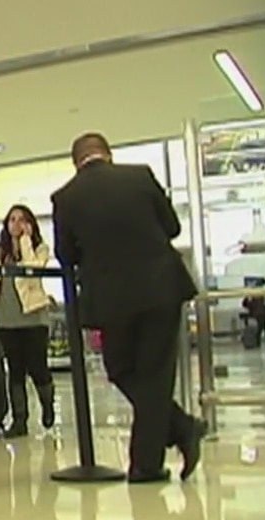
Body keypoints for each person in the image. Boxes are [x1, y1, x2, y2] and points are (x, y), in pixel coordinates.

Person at [51, 132, 205, 483]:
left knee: (120, 369)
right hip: (160, 288)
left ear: (76, 162)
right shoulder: (140, 176)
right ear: (108, 154)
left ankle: (151, 459)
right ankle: (179, 430)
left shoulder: (65, 197)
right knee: (155, 371)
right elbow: (172, 226)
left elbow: (66, 255)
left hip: (110, 298)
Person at [0, 204, 55, 438]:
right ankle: (20, 420)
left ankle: (47, 404)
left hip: (33, 317)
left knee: (38, 367)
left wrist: (26, 241)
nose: (16, 224)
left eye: (21, 220)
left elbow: (31, 269)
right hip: (6, 320)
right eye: (12, 219)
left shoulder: (40, 249)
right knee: (15, 369)